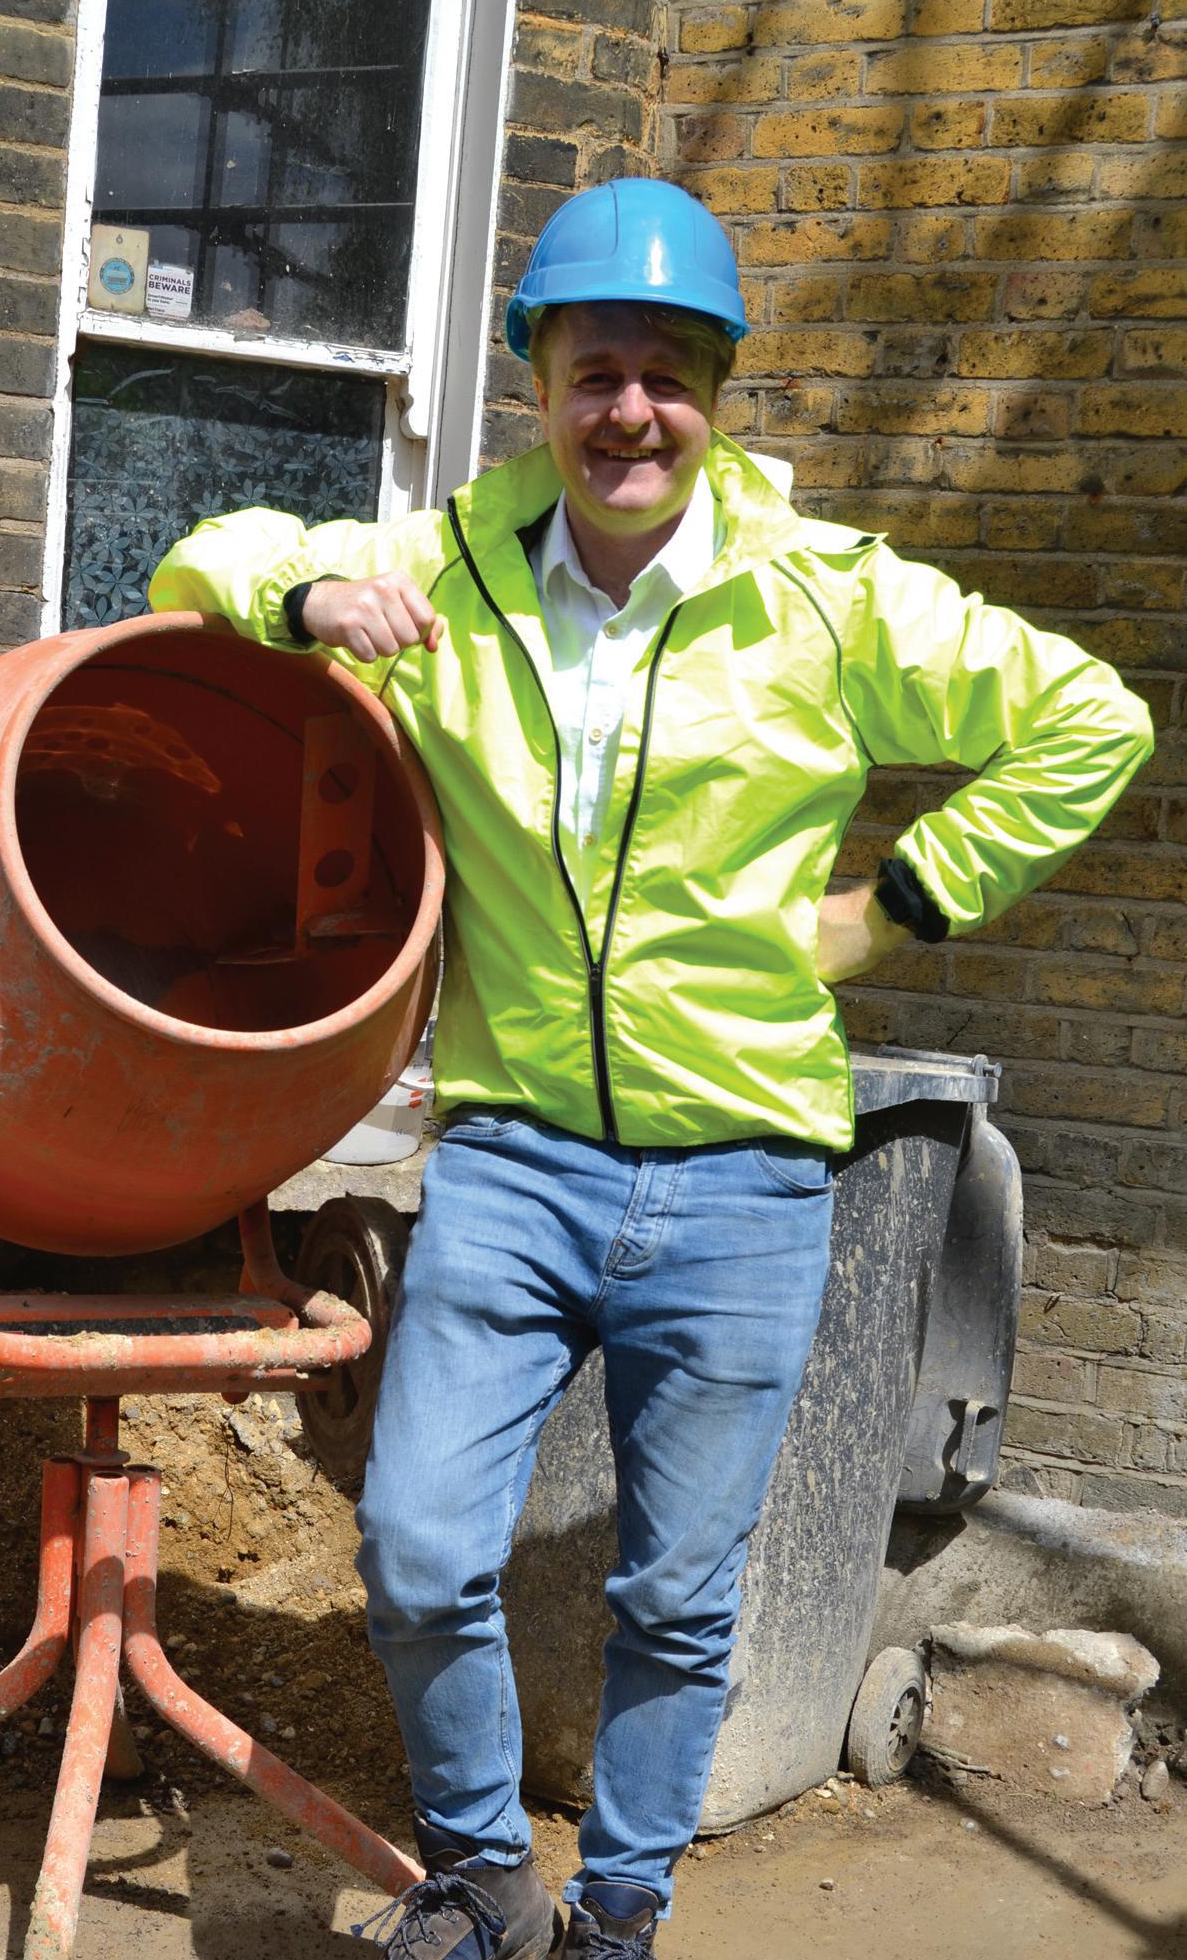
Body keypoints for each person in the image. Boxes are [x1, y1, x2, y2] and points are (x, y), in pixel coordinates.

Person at [150, 178, 1153, 1959]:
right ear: (538, 379)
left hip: (748, 1176)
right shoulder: (447, 574)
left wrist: (894, 905)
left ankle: (618, 1916)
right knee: (418, 1545)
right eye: (597, 369)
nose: (632, 411)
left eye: (670, 374)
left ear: (719, 392)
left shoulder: (821, 599)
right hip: (514, 1160)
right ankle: (483, 1877)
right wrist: (307, 592)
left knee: (681, 1599)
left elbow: (1091, 717)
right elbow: (197, 569)